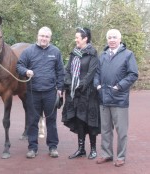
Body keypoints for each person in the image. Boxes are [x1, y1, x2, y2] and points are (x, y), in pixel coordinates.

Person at [16, 26, 65, 159]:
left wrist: (60, 89)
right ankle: (32, 147)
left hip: (50, 92)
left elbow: (61, 71)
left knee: (51, 121)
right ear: (37, 36)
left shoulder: (55, 51)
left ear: (50, 38)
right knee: (32, 121)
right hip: (33, 92)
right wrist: (26, 71)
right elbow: (19, 65)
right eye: (42, 36)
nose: (44, 39)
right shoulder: (29, 51)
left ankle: (53, 146)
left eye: (46, 36)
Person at [94, 29, 138, 167]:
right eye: (109, 37)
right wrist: (97, 86)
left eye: (114, 37)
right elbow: (96, 73)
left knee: (121, 130)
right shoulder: (103, 55)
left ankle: (120, 156)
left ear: (120, 39)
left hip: (119, 99)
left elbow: (133, 74)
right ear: (107, 40)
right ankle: (106, 154)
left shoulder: (128, 55)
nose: (112, 40)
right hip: (104, 98)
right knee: (105, 129)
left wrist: (119, 86)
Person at [62, 27, 100, 160]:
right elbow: (67, 70)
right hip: (74, 93)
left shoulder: (93, 53)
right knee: (79, 120)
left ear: (85, 39)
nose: (75, 39)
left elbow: (91, 74)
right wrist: (68, 82)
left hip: (88, 93)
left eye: (77, 37)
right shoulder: (74, 53)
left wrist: (80, 85)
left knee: (90, 121)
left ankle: (93, 149)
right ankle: (81, 149)